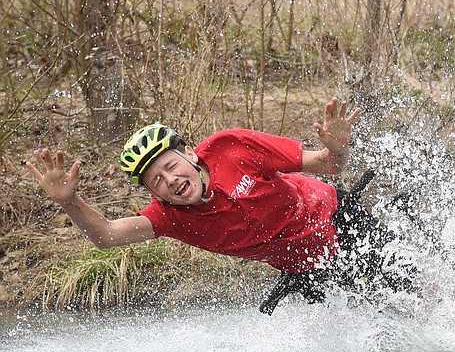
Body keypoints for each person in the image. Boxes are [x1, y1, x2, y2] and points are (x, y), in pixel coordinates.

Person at [26, 97, 414, 314]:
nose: (171, 181)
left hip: (336, 217)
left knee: (411, 285)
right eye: (157, 181)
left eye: (170, 167)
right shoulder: (169, 217)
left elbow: (329, 165)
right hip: (304, 264)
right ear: (155, 194)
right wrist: (70, 200)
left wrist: (337, 144)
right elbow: (107, 237)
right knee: (377, 316)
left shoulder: (232, 147)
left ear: (190, 155)